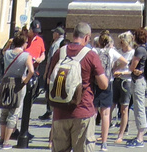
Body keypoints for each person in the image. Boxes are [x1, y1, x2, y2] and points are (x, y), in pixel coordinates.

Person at [46, 22, 110, 152]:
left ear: (73, 35)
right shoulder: (91, 55)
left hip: (60, 111)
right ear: (87, 37)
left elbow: (48, 80)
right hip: (83, 111)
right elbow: (104, 85)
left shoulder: (60, 52)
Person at [0, 30, 34, 149]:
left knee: (4, 111)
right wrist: (25, 80)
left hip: (6, 82)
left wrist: (9, 43)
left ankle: (1, 138)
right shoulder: (26, 55)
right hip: (18, 83)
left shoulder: (7, 53)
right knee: (14, 112)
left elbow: (3, 51)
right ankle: (6, 142)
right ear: (24, 43)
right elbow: (31, 71)